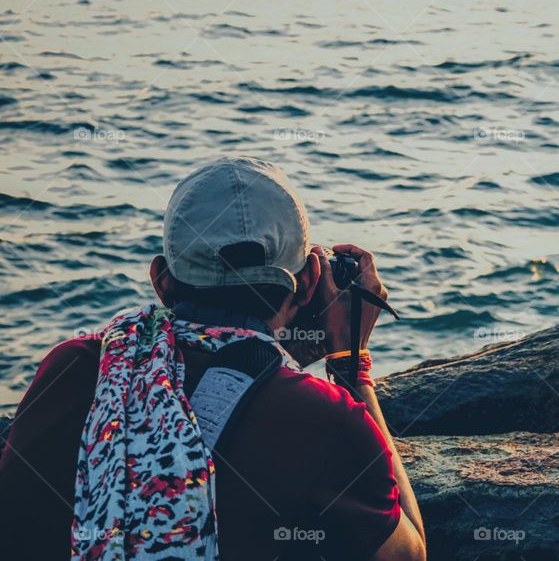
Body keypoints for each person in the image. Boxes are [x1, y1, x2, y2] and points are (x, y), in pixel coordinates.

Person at [0, 157, 426, 560]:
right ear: (311, 279)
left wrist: (273, 353)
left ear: (160, 281)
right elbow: (408, 554)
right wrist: (350, 362)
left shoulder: (70, 365)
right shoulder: (325, 418)